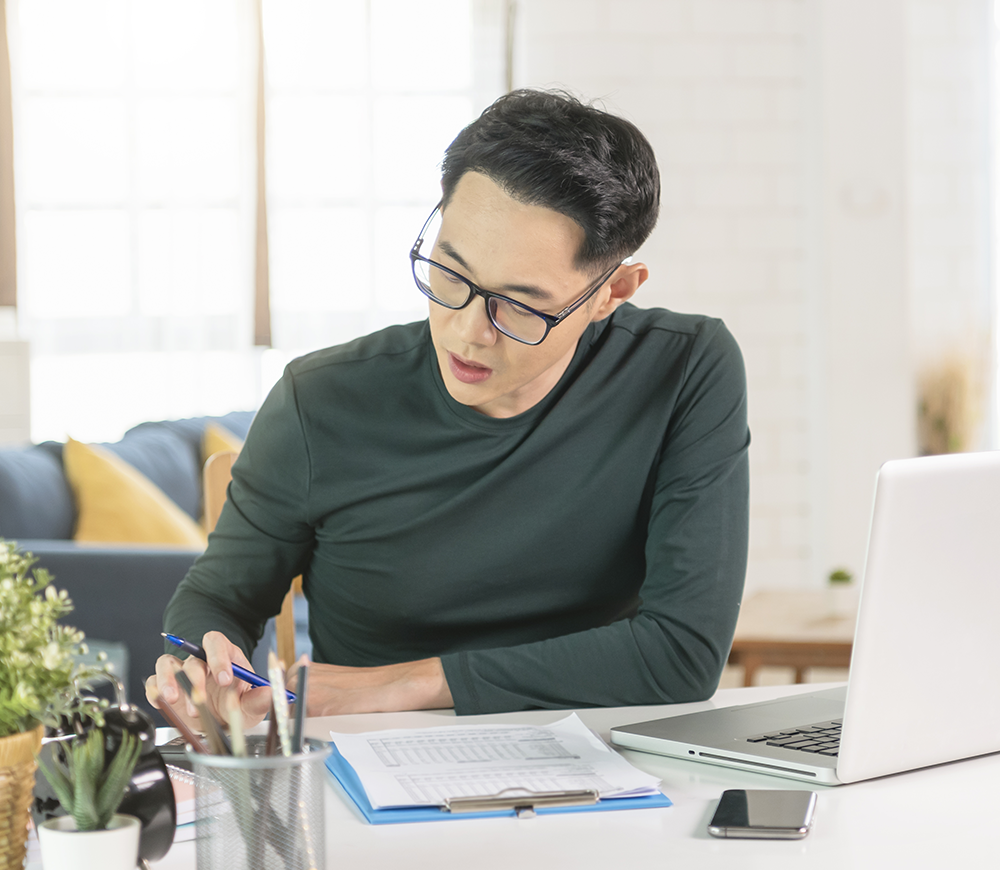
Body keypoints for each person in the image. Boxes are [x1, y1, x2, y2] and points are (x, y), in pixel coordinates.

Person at [146, 89, 749, 729]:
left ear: (610, 294)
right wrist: (203, 671)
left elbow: (682, 654)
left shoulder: (683, 369)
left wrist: (401, 685)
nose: (468, 330)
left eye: (520, 305)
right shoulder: (320, 399)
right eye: (450, 273)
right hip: (370, 759)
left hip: (596, 758)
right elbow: (215, 599)